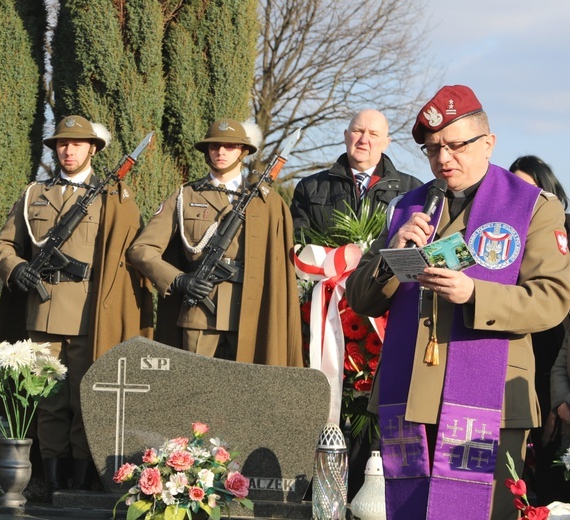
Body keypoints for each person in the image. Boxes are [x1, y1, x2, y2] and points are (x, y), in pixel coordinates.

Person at [346, 85, 570, 519]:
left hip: (493, 396)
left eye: (455, 146)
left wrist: (475, 294)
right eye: (432, 150)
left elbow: (552, 300)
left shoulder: (533, 207)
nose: (443, 159)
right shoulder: (407, 207)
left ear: (488, 143)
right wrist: (391, 255)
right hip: (409, 394)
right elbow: (361, 299)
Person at [0, 115, 151, 499]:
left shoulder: (113, 197)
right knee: (47, 401)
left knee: (86, 398)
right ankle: (53, 477)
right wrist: (18, 270)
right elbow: (3, 246)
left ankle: (83, 480)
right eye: (62, 144)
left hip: (88, 313)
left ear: (93, 149)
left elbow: (125, 253)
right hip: (42, 310)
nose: (68, 150)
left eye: (77, 144)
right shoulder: (34, 194)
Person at [127, 118, 302, 366]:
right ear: (206, 151)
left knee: (243, 394)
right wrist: (178, 279)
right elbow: (141, 250)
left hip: (249, 313)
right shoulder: (184, 196)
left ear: (243, 151)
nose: (221, 152)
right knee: (195, 394)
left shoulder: (266, 202)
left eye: (229, 146)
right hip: (200, 312)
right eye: (214, 146)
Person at [510, 155, 570, 505]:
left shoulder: (561, 229)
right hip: (515, 343)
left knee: (550, 447)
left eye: (529, 188)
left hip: (554, 346)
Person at [290, 109, 422, 241]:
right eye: (357, 131)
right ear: (346, 136)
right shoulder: (310, 188)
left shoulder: (413, 190)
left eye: (373, 134)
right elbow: (298, 243)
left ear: (385, 143)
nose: (363, 140)